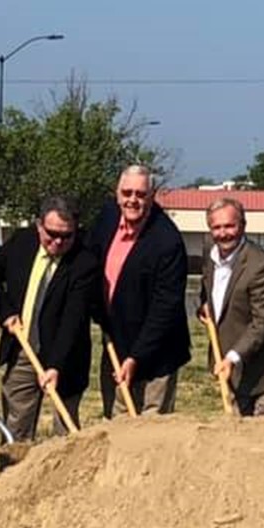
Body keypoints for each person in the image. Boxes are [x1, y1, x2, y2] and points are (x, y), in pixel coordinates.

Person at [0, 195, 97, 464]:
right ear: (39, 226)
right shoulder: (22, 242)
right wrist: (5, 311)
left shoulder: (84, 262)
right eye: (52, 234)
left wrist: (55, 365)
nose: (58, 243)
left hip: (66, 359)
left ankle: (58, 495)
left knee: (64, 436)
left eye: (67, 237)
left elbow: (73, 320)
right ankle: (9, 488)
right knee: (16, 430)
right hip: (23, 351)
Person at [87, 164, 191, 417]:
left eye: (140, 194)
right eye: (127, 192)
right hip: (116, 341)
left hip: (158, 351)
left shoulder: (167, 242)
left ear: (152, 195)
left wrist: (136, 357)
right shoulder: (107, 217)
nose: (132, 200)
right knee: (117, 421)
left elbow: (164, 309)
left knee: (151, 431)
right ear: (117, 192)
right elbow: (88, 262)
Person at [197, 197, 264, 416]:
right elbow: (209, 288)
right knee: (238, 440)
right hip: (234, 371)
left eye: (230, 226)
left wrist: (233, 356)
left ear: (243, 225)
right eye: (217, 227)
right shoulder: (210, 252)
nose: (223, 233)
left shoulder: (262, 267)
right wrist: (204, 306)